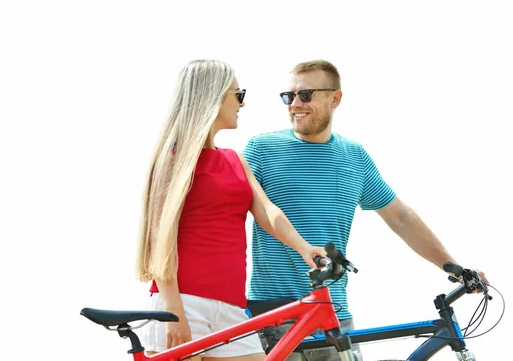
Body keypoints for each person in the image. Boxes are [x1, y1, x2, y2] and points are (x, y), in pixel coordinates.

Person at [243, 59, 488, 360]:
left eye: (305, 95)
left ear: (335, 98)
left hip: (333, 312)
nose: (295, 104)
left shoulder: (353, 157)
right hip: (274, 313)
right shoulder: (261, 149)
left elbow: (401, 217)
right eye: (288, 96)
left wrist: (453, 267)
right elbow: (224, 213)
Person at [135, 59, 326, 361]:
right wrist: (173, 312)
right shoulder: (174, 159)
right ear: (213, 95)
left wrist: (305, 248)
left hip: (232, 307)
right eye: (238, 94)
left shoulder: (235, 159)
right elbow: (161, 237)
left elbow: (267, 212)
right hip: (182, 303)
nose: (243, 102)